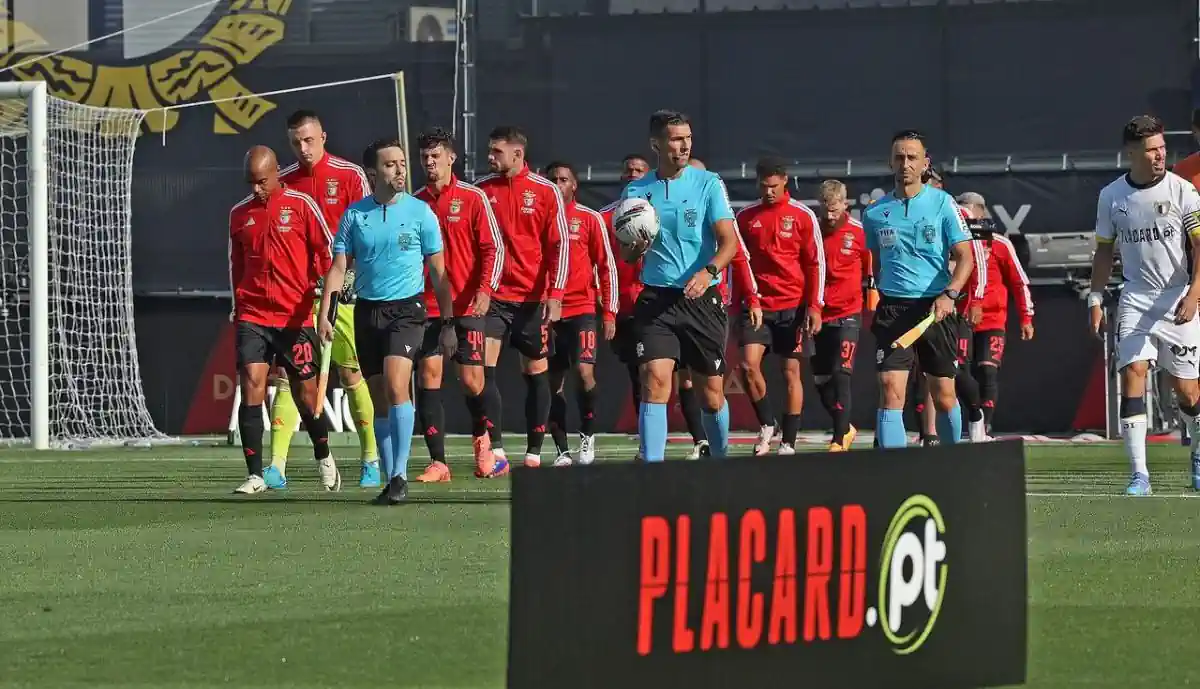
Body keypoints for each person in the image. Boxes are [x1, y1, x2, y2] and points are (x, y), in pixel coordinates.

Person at [319, 137, 454, 504]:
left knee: (398, 386)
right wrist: (325, 314)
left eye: (401, 163)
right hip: (367, 312)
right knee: (380, 399)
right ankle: (391, 477)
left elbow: (439, 273)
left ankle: (398, 475)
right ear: (372, 172)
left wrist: (449, 323)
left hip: (408, 311)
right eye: (391, 164)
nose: (400, 170)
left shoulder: (421, 213)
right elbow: (337, 269)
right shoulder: (354, 215)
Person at [263, 110, 377, 490]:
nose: (304, 148)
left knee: (350, 374)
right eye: (296, 142)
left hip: (343, 293)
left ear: (324, 137)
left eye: (309, 140)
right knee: (287, 377)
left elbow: (369, 230)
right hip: (298, 297)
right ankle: (276, 466)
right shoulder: (285, 181)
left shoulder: (349, 176)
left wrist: (349, 276)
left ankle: (370, 459)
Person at [1089, 115, 1200, 496]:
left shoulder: (1183, 191)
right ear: (1131, 152)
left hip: (1178, 299)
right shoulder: (1111, 196)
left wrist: (1194, 294)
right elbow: (1104, 252)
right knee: (1133, 372)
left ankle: (1198, 454)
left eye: (1162, 149)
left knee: (1187, 393)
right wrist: (1096, 297)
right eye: (1152, 150)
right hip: (1135, 297)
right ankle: (1140, 475)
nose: (1159, 156)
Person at [620, 110, 739, 461]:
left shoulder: (708, 183)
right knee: (655, 380)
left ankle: (720, 461)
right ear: (656, 144)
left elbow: (729, 242)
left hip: (702, 299)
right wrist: (635, 248)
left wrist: (708, 272)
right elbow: (627, 254)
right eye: (675, 138)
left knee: (712, 394)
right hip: (657, 300)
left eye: (687, 137)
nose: (684, 145)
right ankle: (651, 471)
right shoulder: (637, 190)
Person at [228, 145, 339, 494]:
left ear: (277, 172)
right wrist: (237, 305)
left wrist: (327, 292)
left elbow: (328, 251)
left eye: (262, 181)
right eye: (251, 182)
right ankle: (255, 474)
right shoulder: (239, 214)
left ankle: (323, 455)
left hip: (296, 315)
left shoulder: (303, 206)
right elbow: (236, 265)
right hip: (254, 313)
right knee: (252, 384)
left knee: (307, 397)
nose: (256, 189)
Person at [862, 130, 974, 448]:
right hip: (894, 310)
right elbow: (874, 261)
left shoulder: (943, 204)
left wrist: (950, 294)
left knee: (944, 394)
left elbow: (965, 257)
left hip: (935, 311)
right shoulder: (874, 212)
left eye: (912, 157)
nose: (905, 163)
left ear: (925, 163)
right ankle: (893, 476)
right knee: (890, 388)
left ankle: (953, 466)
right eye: (899, 157)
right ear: (890, 162)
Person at [412, 127, 505, 481]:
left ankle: (483, 442)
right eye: (425, 157)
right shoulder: (415, 203)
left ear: (452, 158)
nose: (430, 162)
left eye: (436, 155)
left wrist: (485, 289)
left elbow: (492, 248)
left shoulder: (473, 197)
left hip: (468, 307)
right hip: (429, 308)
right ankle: (439, 462)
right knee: (429, 376)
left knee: (471, 380)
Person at [475, 126, 569, 469]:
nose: (490, 157)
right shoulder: (482, 191)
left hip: (532, 300)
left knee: (535, 373)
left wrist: (555, 294)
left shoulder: (545, 191)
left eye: (496, 152)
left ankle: (533, 452)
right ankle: (495, 448)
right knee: (482, 370)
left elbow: (559, 245)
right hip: (494, 298)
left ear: (517, 154)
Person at [731, 156, 823, 455]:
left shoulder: (802, 215)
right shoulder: (745, 217)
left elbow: (814, 264)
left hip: (793, 306)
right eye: (763, 185)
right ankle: (767, 422)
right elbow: (738, 263)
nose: (769, 191)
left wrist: (814, 306)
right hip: (757, 305)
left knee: (790, 374)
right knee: (747, 366)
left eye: (774, 185)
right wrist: (739, 301)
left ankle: (788, 441)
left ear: (784, 181)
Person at [542, 161, 619, 465]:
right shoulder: (538, 219)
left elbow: (607, 265)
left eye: (563, 179)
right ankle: (561, 449)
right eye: (552, 179)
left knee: (585, 374)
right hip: (548, 311)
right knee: (551, 381)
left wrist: (609, 312)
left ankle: (587, 435)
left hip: (582, 308)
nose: (557, 184)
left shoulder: (589, 218)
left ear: (574, 185)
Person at [957, 191, 1034, 435]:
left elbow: (1019, 282)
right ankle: (971, 417)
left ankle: (984, 427)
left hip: (992, 319)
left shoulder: (999, 243)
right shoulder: (954, 241)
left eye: (968, 211)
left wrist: (1026, 317)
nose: (964, 217)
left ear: (980, 212)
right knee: (960, 371)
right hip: (961, 317)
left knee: (987, 370)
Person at [813, 179, 876, 452]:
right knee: (820, 379)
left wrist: (873, 294)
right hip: (819, 314)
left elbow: (871, 267)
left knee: (842, 373)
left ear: (845, 205)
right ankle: (845, 425)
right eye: (826, 208)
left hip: (849, 313)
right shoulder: (812, 229)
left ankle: (839, 439)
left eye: (835, 208)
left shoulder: (859, 232)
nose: (830, 214)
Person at [601, 154, 650, 454]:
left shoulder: (659, 212)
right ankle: (648, 441)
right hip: (624, 309)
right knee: (638, 373)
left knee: (670, 376)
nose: (632, 174)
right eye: (628, 170)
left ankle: (701, 439)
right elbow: (599, 263)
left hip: (656, 303)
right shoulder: (605, 217)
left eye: (639, 171)